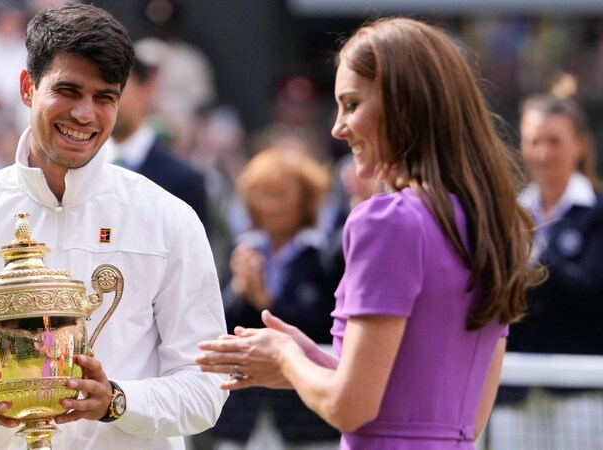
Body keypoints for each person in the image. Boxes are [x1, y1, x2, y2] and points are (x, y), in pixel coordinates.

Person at [196, 17, 541, 449]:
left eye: (352, 104)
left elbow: (351, 408)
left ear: (405, 104)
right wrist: (310, 362)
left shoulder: (387, 220)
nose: (338, 127)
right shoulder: (492, 221)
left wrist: (285, 356)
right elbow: (461, 412)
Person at [0, 4, 227, 450]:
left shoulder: (169, 220)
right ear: (27, 87)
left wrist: (116, 400)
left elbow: (206, 389)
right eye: (68, 91)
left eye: (104, 97)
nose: (85, 114)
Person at [489, 87, 603, 449]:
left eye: (554, 141)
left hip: (580, 394)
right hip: (513, 390)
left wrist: (534, 257)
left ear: (580, 145)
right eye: (534, 140)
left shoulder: (598, 213)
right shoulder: (510, 215)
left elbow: (591, 291)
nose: (543, 153)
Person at [211, 147, 341, 450]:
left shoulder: (324, 256)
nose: (269, 205)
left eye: (281, 194)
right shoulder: (242, 250)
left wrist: (266, 301)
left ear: (305, 199)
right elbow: (219, 325)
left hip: (307, 417)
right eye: (261, 194)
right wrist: (241, 292)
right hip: (245, 415)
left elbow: (327, 328)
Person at [108, 55, 208, 228]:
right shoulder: (78, 166)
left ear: (146, 92)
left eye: (117, 90)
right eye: (99, 92)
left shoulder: (184, 178)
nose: (107, 100)